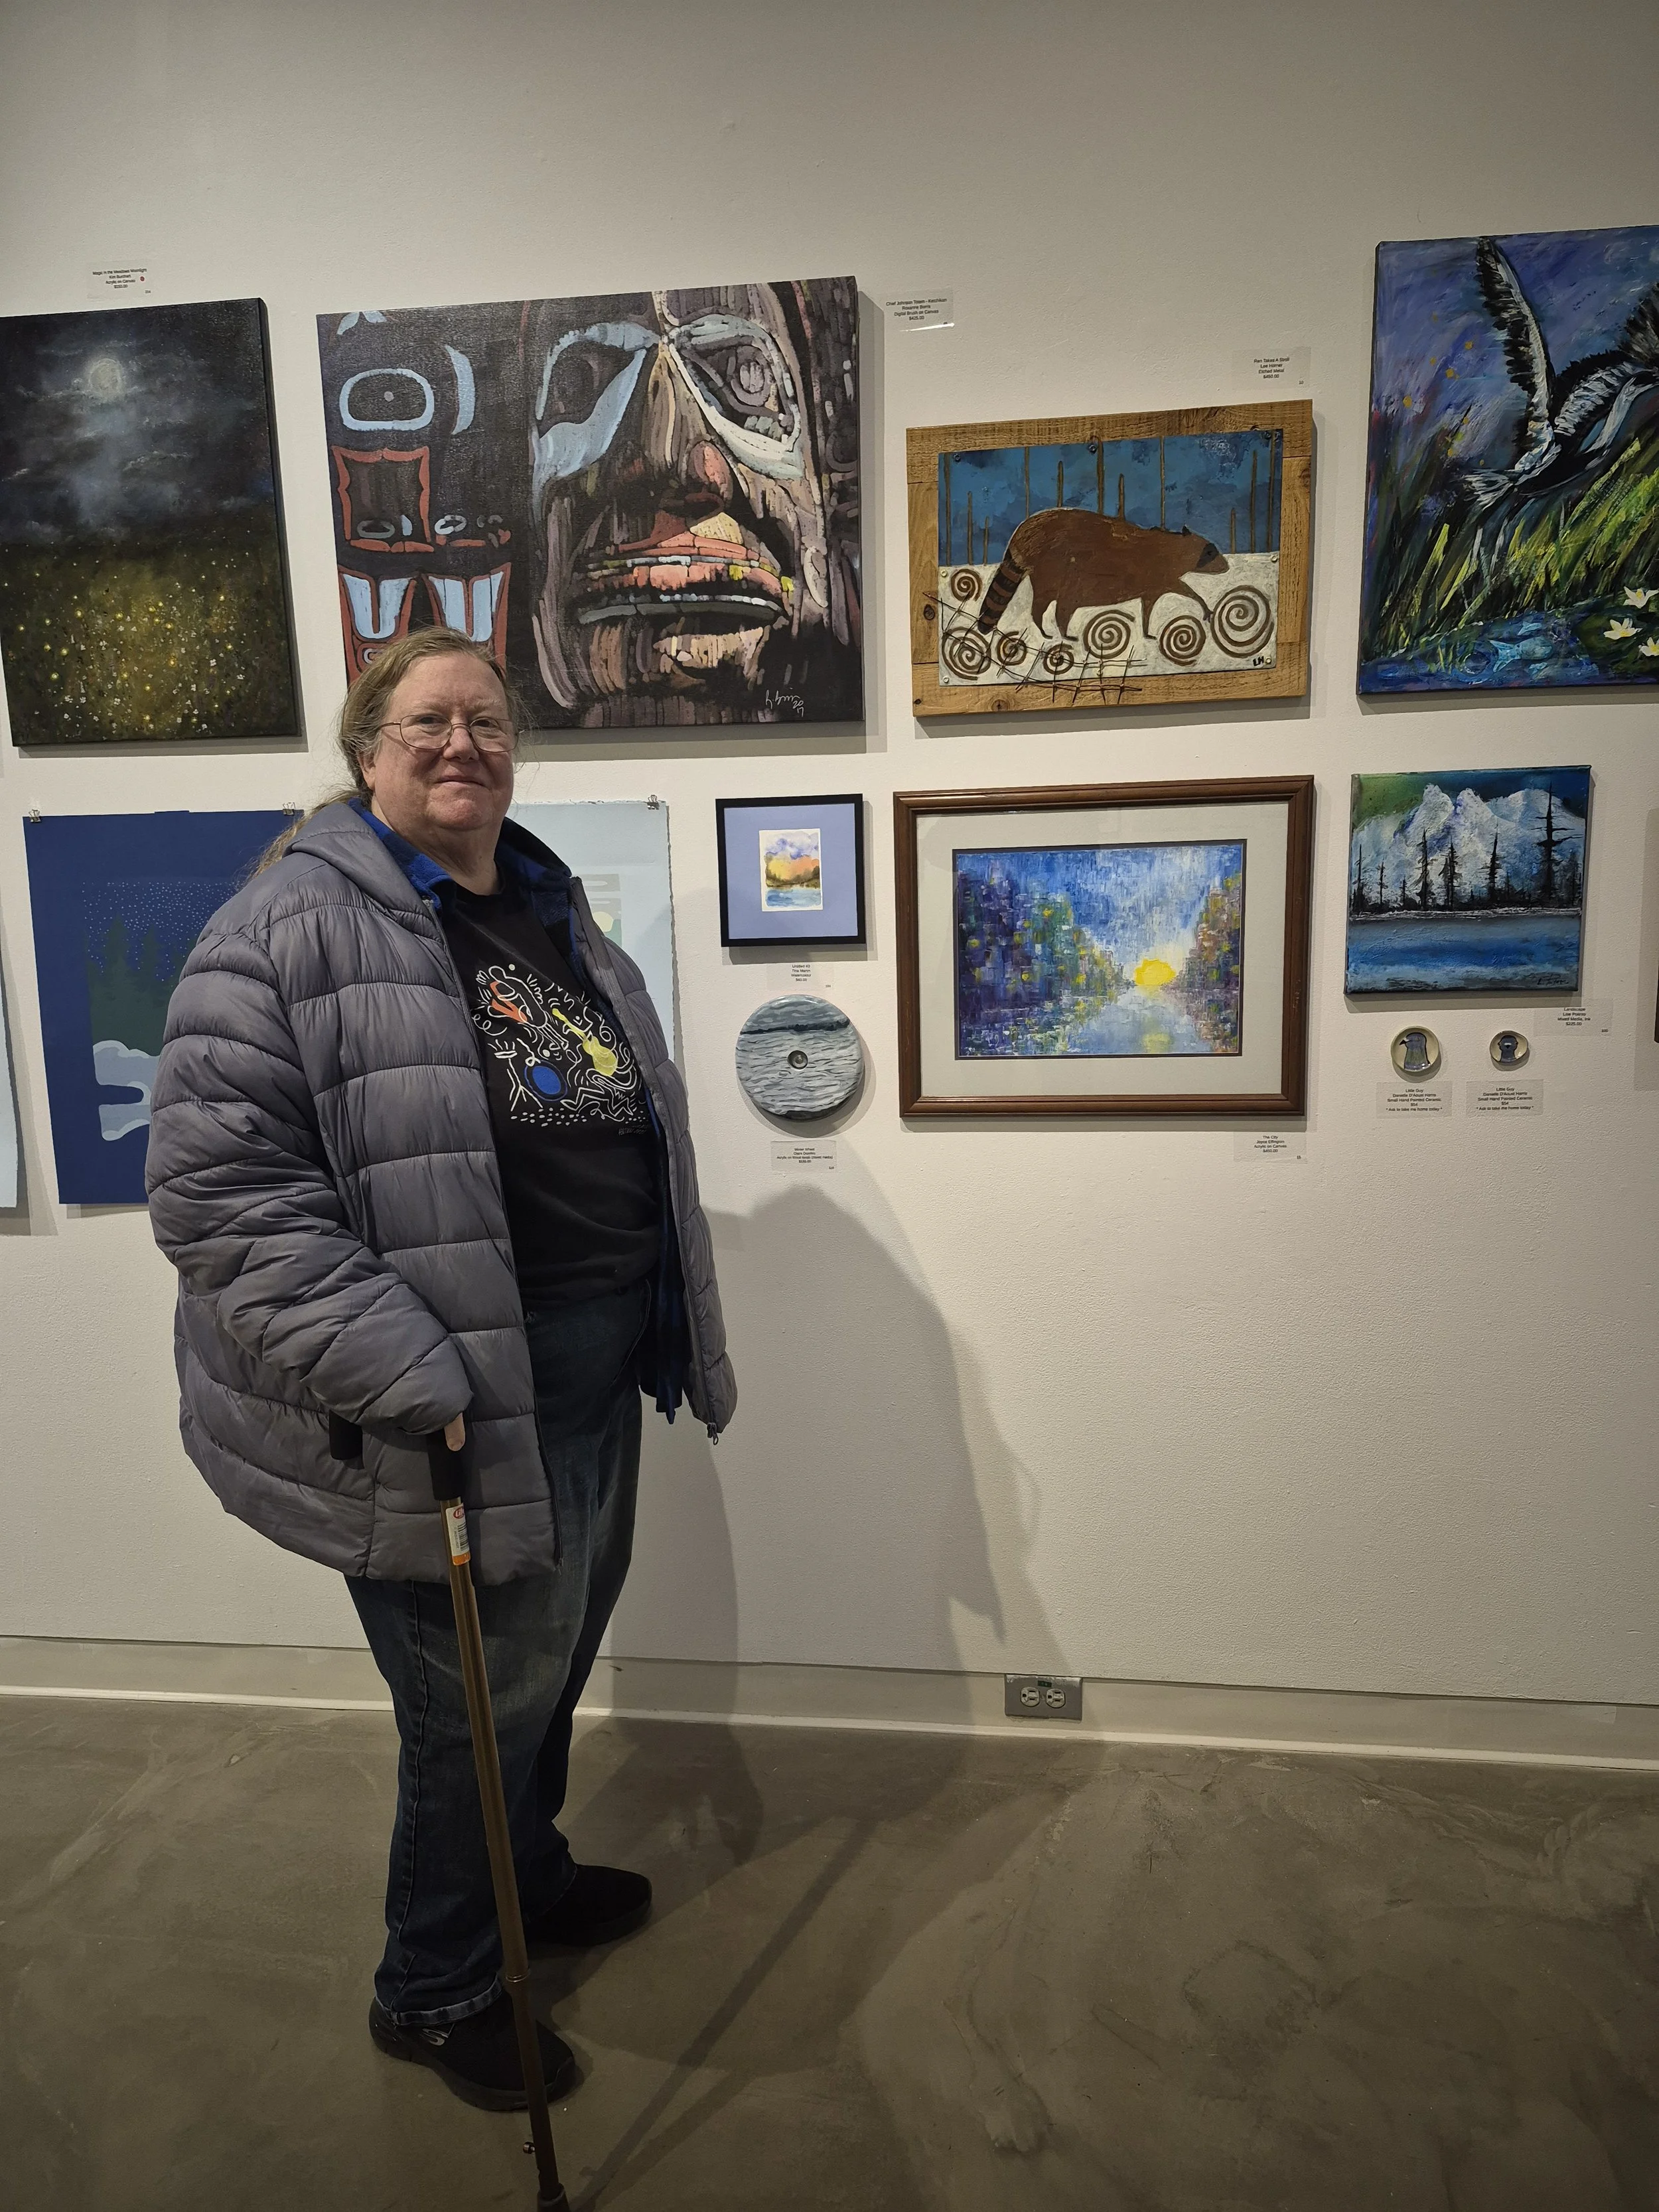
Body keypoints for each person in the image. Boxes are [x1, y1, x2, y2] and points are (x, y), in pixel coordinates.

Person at [145, 627, 735, 2112]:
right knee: (470, 1703)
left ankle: (521, 1882)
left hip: (591, 1368)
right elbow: (220, 1202)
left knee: (546, 1665)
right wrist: (411, 1366)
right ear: (366, 751)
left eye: (486, 719)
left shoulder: (544, 908)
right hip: (444, 1392)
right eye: (428, 722)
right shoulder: (280, 928)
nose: (462, 742)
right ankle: (436, 1981)